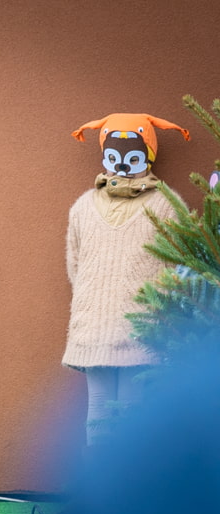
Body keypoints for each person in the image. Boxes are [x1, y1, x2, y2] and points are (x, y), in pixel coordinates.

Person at [64, 113, 190, 446]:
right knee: (99, 412)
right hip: (94, 327)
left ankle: (129, 492)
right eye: (113, 157)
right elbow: (75, 264)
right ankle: (99, 492)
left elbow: (178, 264)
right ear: (104, 155)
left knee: (133, 412)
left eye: (132, 158)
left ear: (147, 156)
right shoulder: (83, 208)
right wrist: (92, 303)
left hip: (142, 329)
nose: (121, 167)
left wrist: (161, 313)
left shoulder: (164, 206)